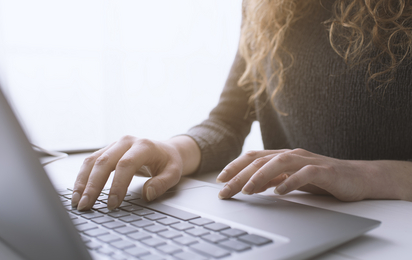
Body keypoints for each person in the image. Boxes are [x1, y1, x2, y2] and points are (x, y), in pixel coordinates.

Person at [71, 0, 412, 211]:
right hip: (291, 216)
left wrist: (371, 175)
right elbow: (228, 120)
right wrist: (173, 150)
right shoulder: (264, 4)